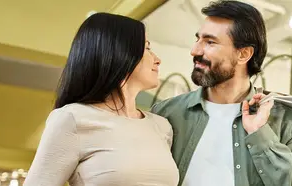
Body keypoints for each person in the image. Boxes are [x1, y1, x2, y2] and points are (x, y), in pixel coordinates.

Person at [151, 1, 292, 186]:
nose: (194, 51)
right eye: (197, 39)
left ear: (243, 54)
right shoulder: (166, 114)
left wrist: (260, 135)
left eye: (210, 42)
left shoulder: (285, 121)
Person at [24, 13, 178, 186]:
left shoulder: (162, 127)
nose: (157, 60)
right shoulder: (73, 118)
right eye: (147, 47)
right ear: (120, 51)